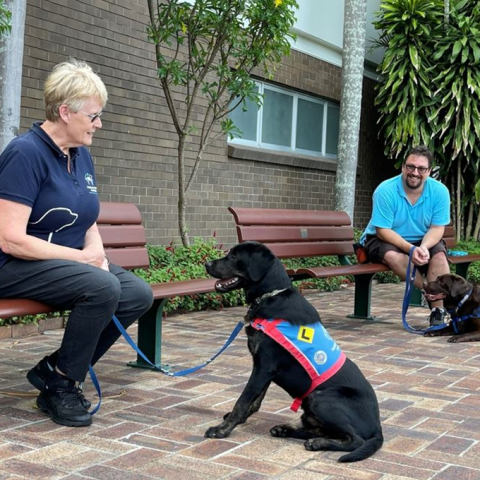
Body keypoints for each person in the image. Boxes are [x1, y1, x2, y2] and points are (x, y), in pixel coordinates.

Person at [0, 59, 153, 427]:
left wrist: (96, 251)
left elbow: (87, 213)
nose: (99, 124)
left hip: (63, 261)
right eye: (94, 115)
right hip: (14, 265)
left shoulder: (81, 153)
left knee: (137, 294)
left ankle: (54, 368)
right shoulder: (25, 153)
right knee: (101, 286)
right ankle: (62, 387)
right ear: (65, 112)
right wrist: (84, 259)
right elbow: (10, 239)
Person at [360, 145, 451, 327]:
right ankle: (430, 291)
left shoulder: (440, 191)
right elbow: (382, 230)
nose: (415, 172)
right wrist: (411, 249)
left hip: (422, 238)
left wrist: (424, 247)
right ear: (403, 167)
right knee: (393, 256)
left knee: (439, 255)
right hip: (384, 238)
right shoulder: (385, 190)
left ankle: (438, 311)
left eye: (421, 169)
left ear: (429, 171)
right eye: (410, 167)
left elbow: (436, 228)